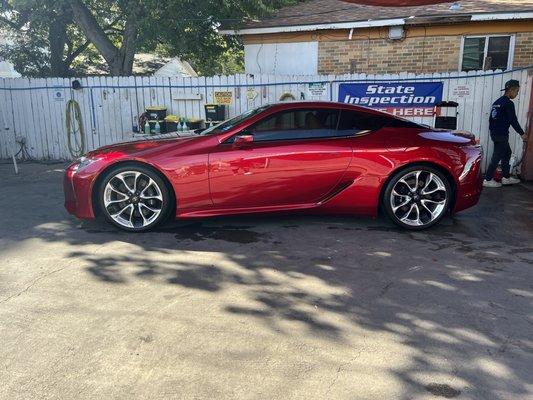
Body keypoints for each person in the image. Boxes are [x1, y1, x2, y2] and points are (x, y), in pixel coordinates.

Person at [483, 79, 528, 188]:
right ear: (511, 90)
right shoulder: (508, 103)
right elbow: (513, 120)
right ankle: (487, 179)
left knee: (507, 153)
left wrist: (493, 132)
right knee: (497, 156)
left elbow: (491, 119)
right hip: (501, 134)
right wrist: (522, 133)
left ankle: (506, 177)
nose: (517, 94)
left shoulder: (497, 102)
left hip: (495, 133)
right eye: (516, 91)